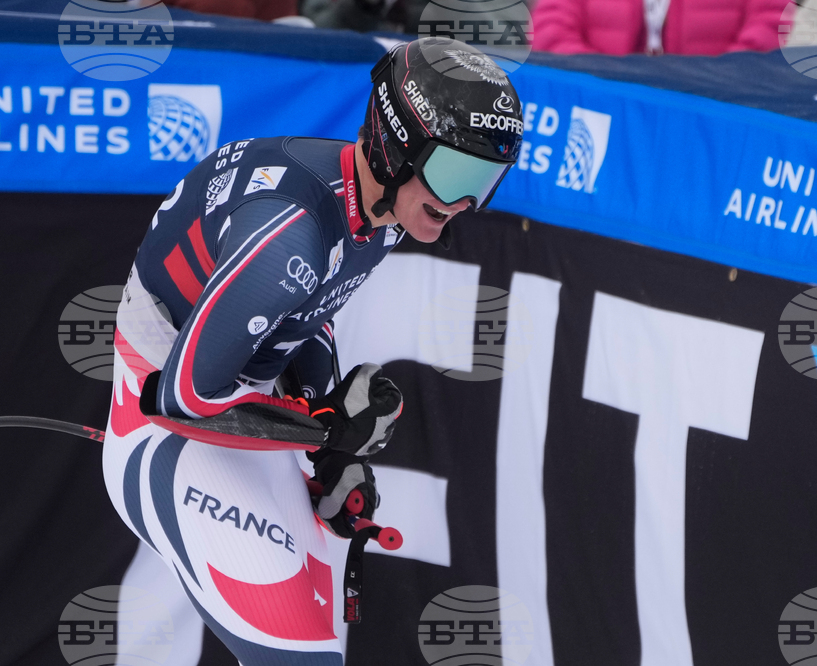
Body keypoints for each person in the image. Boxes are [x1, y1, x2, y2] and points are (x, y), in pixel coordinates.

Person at [102, 37, 523, 664]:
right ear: (397, 141)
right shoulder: (293, 230)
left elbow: (301, 317)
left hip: (225, 418)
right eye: (455, 175)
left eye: (483, 184)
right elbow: (182, 395)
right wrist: (320, 429)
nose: (464, 205)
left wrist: (326, 450)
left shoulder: (375, 208)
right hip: (166, 430)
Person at [532, 0, 790, 56]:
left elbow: (769, 22)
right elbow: (552, 24)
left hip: (712, 114)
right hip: (604, 108)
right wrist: (599, 80)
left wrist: (719, 80)